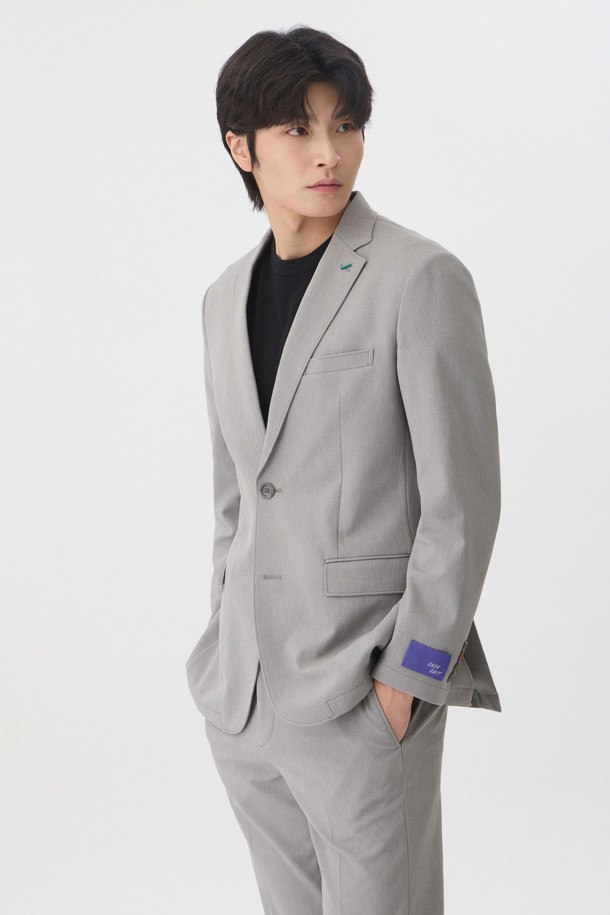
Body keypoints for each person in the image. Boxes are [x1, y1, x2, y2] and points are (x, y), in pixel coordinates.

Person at [186, 25, 502, 915]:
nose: (329, 152)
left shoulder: (419, 277)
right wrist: (222, 646)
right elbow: (235, 498)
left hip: (363, 695)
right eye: (297, 129)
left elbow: (463, 504)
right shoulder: (222, 299)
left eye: (346, 125)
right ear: (240, 147)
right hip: (245, 701)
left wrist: (408, 682)